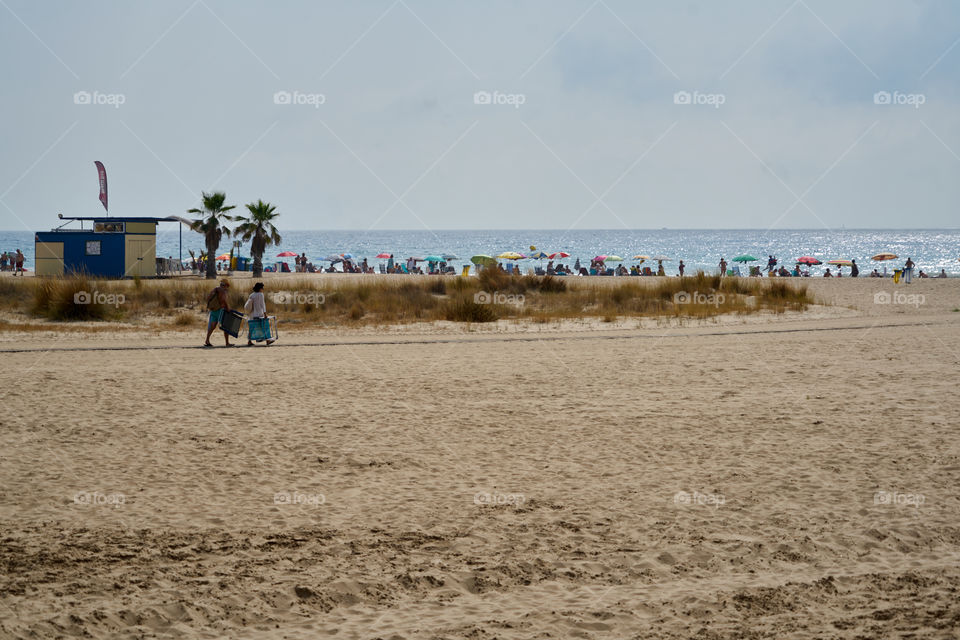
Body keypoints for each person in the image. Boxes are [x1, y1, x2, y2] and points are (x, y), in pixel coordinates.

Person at [244, 282, 275, 346]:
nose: (262, 289)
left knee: (252, 328)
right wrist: (265, 314)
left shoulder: (252, 295)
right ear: (260, 288)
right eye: (262, 288)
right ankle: (267, 340)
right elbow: (262, 305)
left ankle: (249, 341)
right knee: (264, 327)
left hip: (252, 314)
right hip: (259, 314)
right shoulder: (261, 294)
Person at [204, 279, 233, 347]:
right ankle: (227, 342)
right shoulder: (223, 291)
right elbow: (223, 300)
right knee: (225, 326)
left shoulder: (215, 289)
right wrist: (227, 307)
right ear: (226, 285)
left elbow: (208, 298)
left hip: (213, 310)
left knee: (212, 326)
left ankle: (207, 340)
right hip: (220, 310)